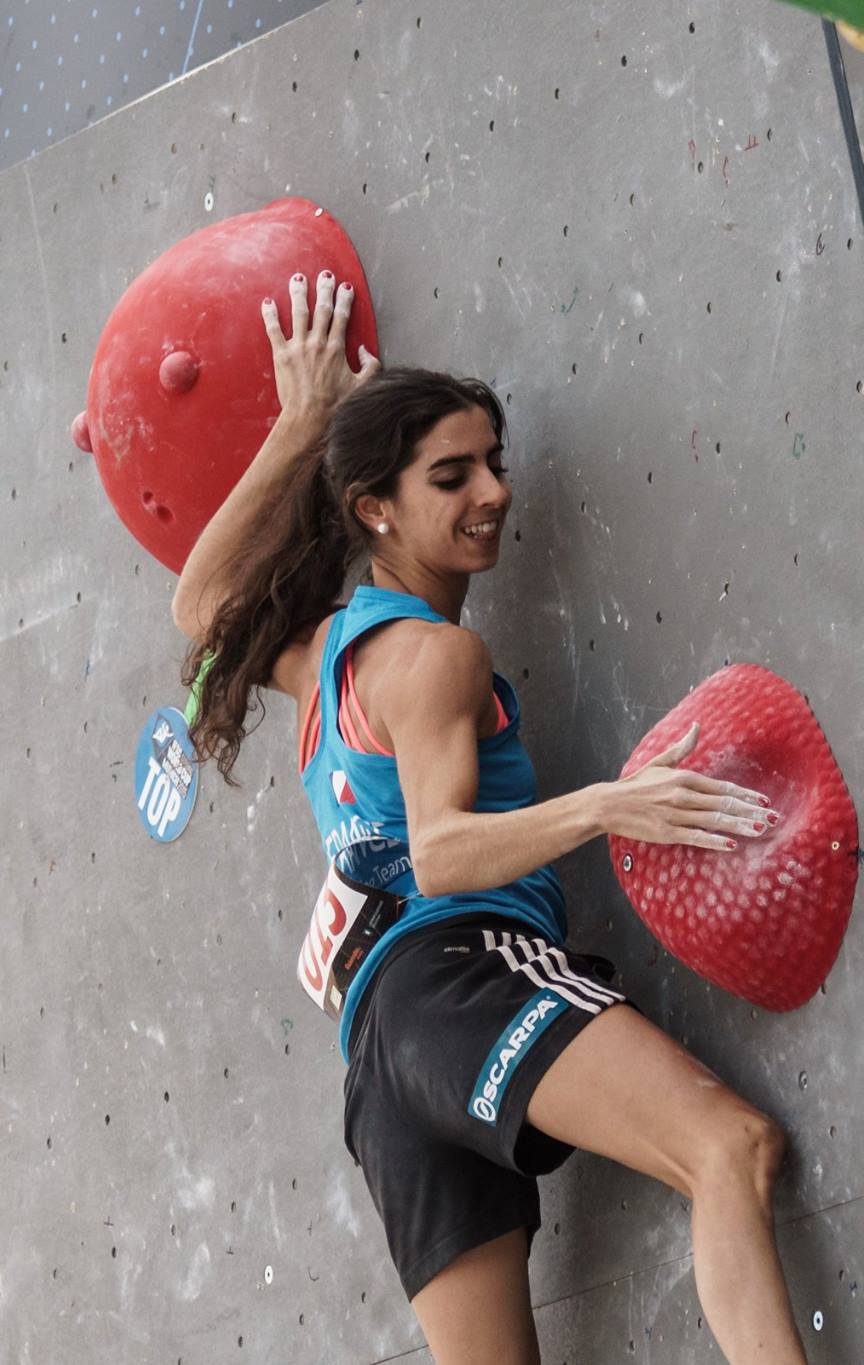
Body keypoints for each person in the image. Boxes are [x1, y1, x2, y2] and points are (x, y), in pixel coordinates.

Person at [171, 269, 808, 1364]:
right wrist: (611, 804)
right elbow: (445, 851)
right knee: (728, 1147)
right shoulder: (433, 653)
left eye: (495, 465)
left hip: (382, 1062)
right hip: (460, 975)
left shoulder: (325, 654)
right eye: (451, 475)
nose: (494, 493)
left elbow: (198, 607)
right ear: (377, 507)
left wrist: (302, 421)